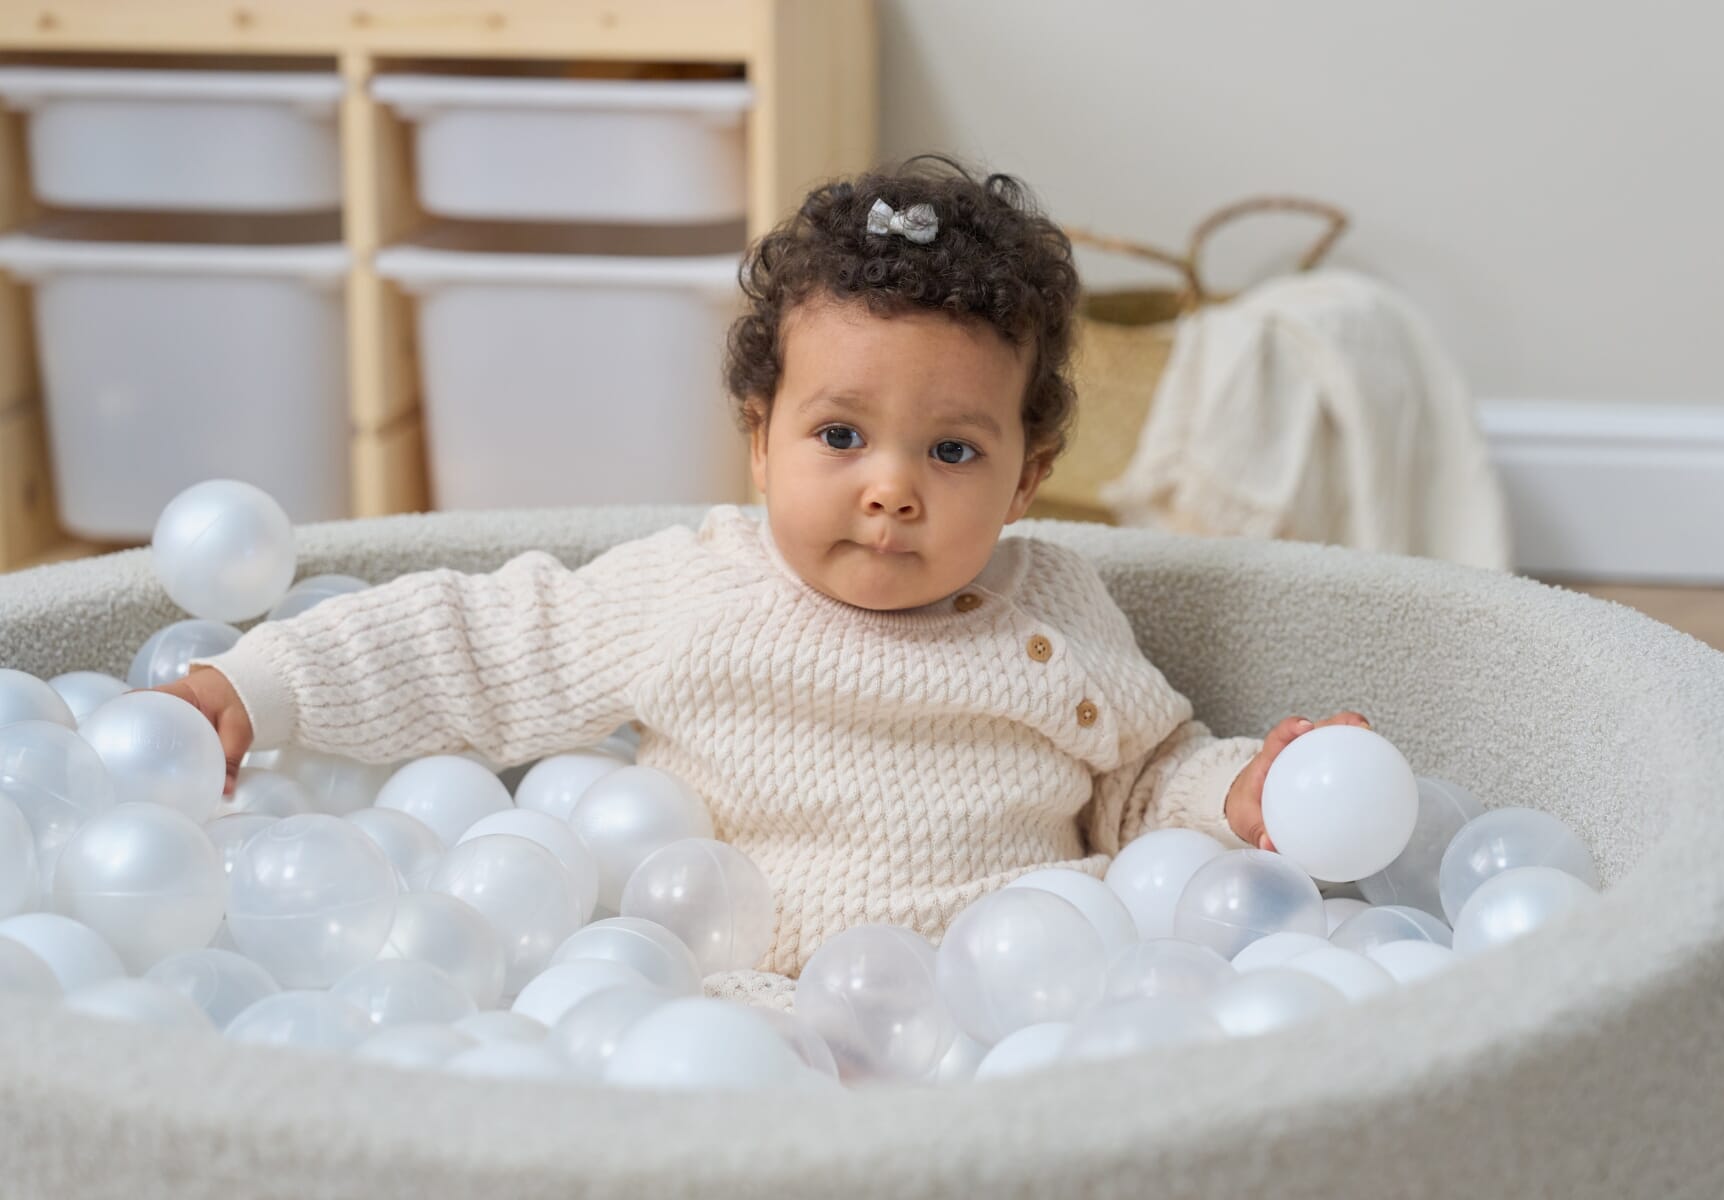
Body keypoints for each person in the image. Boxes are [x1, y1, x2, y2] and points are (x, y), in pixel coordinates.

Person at [162, 155, 1366, 1000]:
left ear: (1027, 477)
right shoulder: (694, 592)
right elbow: (487, 643)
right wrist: (265, 684)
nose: (889, 488)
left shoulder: (1052, 611)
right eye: (839, 437)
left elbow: (1142, 787)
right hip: (736, 1001)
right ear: (757, 437)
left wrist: (1243, 793)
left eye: (951, 451)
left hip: (1028, 995)